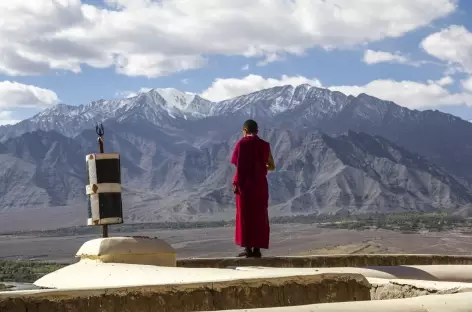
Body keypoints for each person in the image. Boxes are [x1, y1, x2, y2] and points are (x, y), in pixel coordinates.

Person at [230, 119, 275, 258]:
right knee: (259, 217)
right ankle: (257, 250)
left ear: (244, 131)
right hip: (260, 187)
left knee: (246, 217)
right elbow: (271, 166)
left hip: (244, 188)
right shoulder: (264, 145)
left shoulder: (240, 144)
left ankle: (248, 249)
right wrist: (261, 167)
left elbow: (237, 164)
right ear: (257, 131)